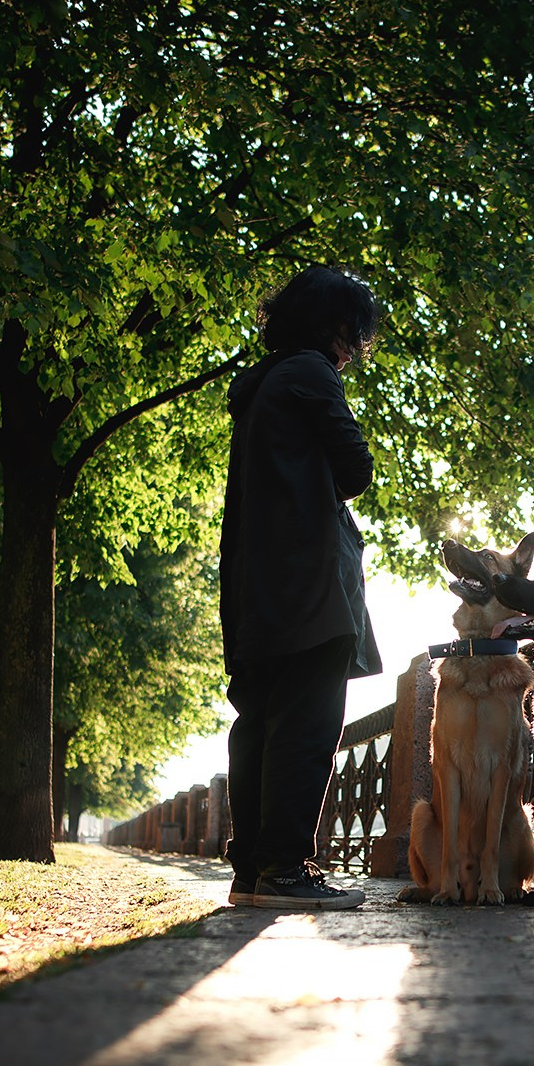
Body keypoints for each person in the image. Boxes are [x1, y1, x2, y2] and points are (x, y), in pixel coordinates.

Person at [219, 266, 384, 910]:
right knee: (307, 724)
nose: (353, 347)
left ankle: (253, 869)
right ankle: (285, 869)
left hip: (255, 583)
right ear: (333, 325)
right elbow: (356, 469)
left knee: (258, 722)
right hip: (311, 583)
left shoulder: (258, 388)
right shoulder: (313, 373)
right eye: (352, 332)